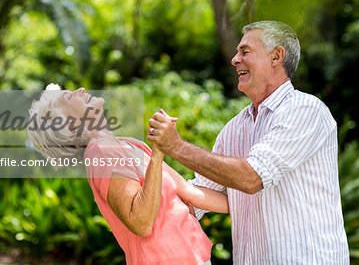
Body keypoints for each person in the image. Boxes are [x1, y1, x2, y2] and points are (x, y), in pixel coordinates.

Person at [147, 21, 349, 264]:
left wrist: (176, 146)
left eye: (245, 52)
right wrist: (138, 174)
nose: (234, 59)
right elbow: (194, 197)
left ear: (276, 57)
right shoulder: (233, 130)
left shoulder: (305, 110)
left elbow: (252, 178)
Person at [27, 83, 229, 265]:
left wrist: (251, 201)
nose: (81, 90)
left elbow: (190, 194)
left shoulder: (130, 145)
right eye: (70, 97)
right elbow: (141, 223)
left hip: (194, 256)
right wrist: (158, 154)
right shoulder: (101, 152)